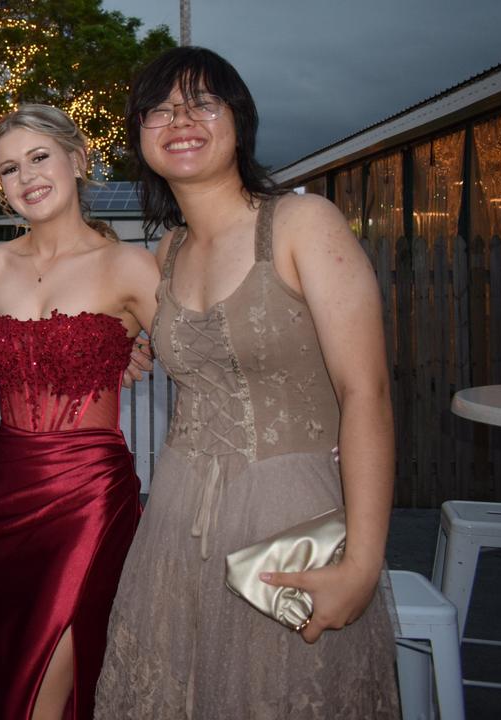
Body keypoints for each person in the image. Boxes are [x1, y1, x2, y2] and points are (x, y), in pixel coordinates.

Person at [93, 47, 400, 718]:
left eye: (203, 102)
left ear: (240, 122)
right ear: (139, 133)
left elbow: (366, 393)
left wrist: (363, 565)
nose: (182, 119)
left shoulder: (300, 223)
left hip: (285, 517)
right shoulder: (167, 252)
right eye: (161, 109)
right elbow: (176, 340)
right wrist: (127, 350)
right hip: (176, 519)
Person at [0, 104, 158, 720]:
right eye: (9, 169)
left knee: (54, 667)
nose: (27, 177)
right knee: (6, 657)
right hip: (5, 491)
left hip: (91, 496)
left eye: (39, 157)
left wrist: (140, 350)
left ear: (78, 158)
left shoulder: (130, 266)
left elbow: (201, 362)